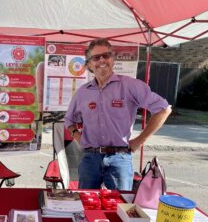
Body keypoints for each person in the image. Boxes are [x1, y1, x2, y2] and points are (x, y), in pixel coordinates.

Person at [64, 38, 171, 190]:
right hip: (90, 158)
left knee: (120, 207)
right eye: (96, 57)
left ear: (113, 59)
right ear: (89, 64)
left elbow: (164, 109)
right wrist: (77, 136)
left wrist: (140, 140)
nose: (102, 60)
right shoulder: (82, 93)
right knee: (86, 204)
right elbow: (69, 119)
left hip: (120, 158)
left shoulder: (130, 86)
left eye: (106, 55)